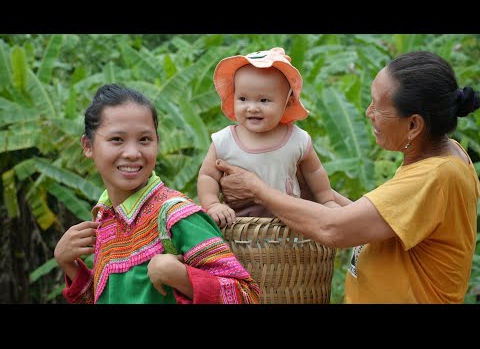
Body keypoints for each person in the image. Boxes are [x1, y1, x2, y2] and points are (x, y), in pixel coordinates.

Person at [214, 51, 480, 303]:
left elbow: (334, 229)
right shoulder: (442, 156)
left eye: (378, 107)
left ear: (413, 125)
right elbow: (373, 222)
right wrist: (312, 193)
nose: (368, 113)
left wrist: (258, 189)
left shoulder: (435, 177)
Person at [53, 84, 260, 304]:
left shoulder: (177, 216)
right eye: (117, 140)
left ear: (157, 143)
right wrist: (68, 264)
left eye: (144, 139)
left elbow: (246, 297)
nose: (133, 153)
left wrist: (181, 277)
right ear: (88, 145)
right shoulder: (106, 218)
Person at [197, 47, 338, 227]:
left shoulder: (297, 139)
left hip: (290, 226)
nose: (252, 107)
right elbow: (208, 176)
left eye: (264, 100)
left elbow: (314, 172)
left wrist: (327, 201)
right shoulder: (225, 140)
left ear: (287, 103)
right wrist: (213, 204)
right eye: (243, 98)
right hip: (240, 227)